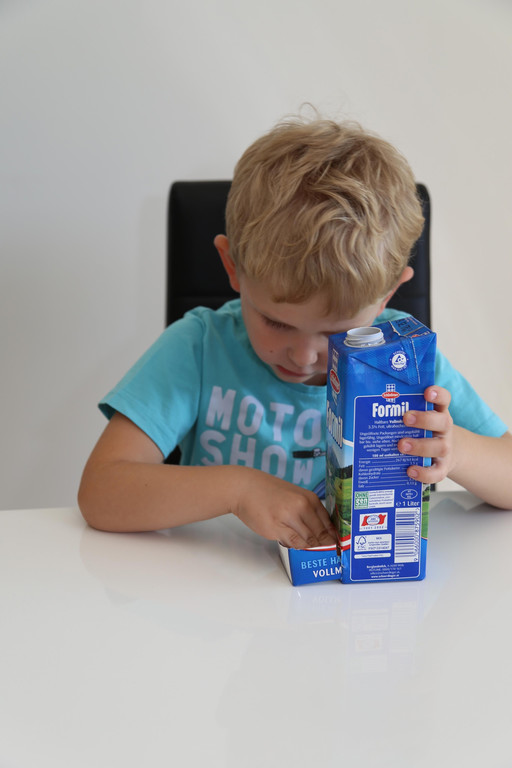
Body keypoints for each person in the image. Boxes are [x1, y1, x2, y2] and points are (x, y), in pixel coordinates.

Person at [78, 115, 512, 545]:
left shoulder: (406, 361)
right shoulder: (199, 348)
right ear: (232, 267)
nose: (304, 356)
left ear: (387, 296)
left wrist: (457, 451)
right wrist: (238, 490)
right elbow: (101, 491)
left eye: (337, 332)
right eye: (277, 322)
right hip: (216, 579)